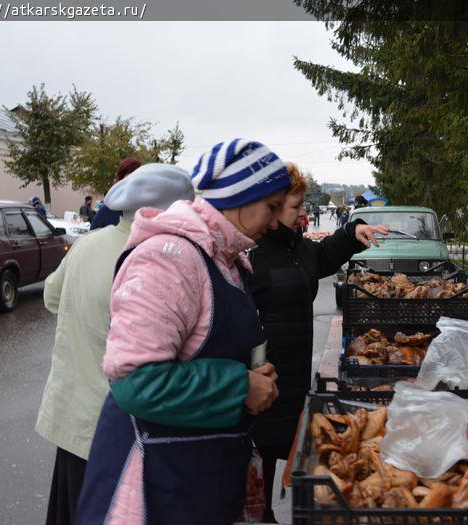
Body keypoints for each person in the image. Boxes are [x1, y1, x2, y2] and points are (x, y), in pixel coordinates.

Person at [76, 139, 288, 525]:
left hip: (201, 476)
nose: (276, 223)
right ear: (241, 196)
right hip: (155, 486)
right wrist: (240, 387)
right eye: (271, 208)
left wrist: (254, 375)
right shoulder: (169, 258)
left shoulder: (225, 259)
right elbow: (135, 381)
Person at [36, 164, 195, 525]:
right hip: (117, 431)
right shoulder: (158, 257)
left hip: (72, 418)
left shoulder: (87, 244)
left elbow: (52, 298)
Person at [247, 163, 389, 522]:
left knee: (287, 450)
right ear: (273, 209)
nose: (303, 213)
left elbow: (321, 257)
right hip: (265, 376)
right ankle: (261, 512)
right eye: (296, 207)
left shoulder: (294, 247)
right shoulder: (253, 254)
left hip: (293, 376)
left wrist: (353, 231)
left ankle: (267, 509)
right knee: (260, 459)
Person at [90, 157, 142, 230]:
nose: (132, 188)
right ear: (120, 184)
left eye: (136, 182)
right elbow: (92, 237)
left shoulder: (148, 213)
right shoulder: (107, 212)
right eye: (127, 182)